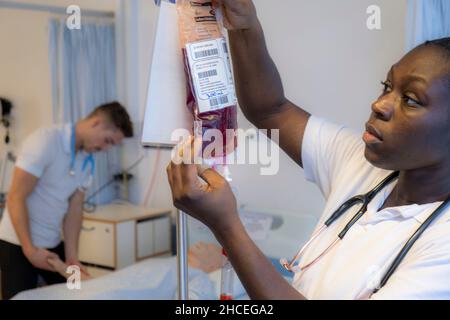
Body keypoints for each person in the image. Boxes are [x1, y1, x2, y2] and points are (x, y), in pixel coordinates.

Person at [166, 0, 450, 299]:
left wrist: (226, 227)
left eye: (411, 100)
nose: (379, 104)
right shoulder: (364, 166)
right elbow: (270, 111)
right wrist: (244, 25)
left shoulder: (443, 245)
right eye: (386, 86)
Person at [0, 101, 133, 299]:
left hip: (51, 242)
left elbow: (75, 208)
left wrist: (72, 258)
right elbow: (15, 197)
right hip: (18, 244)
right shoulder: (46, 141)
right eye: (108, 141)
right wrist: (29, 249)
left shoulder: (88, 159)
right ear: (96, 123)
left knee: (75, 293)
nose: (106, 149)